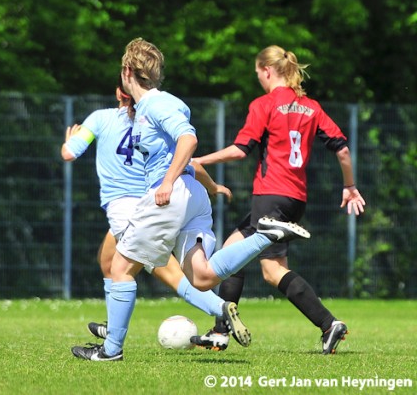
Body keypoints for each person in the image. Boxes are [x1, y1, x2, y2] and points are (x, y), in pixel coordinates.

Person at [71, 38, 310, 362]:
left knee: (120, 267)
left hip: (170, 195)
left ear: (127, 72)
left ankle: (110, 350)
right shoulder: (152, 107)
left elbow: (189, 139)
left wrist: (167, 182)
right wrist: (209, 187)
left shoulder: (156, 104)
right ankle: (265, 235)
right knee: (201, 276)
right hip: (191, 195)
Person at [191, 45, 366, 355]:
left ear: (267, 71)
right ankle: (220, 331)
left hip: (271, 196)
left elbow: (240, 149)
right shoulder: (311, 107)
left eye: (258, 73)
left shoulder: (265, 104)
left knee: (272, 270)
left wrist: (198, 159)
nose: (258, 78)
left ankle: (329, 324)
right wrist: (349, 186)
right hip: (295, 197)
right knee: (232, 254)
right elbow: (342, 150)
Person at [61, 78, 244, 344]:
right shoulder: (147, 119)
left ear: (117, 93)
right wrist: (212, 186)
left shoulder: (99, 119)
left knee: (166, 272)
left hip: (132, 208)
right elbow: (185, 158)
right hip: (153, 199)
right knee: (107, 260)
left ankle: (219, 311)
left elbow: (70, 153)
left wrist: (69, 142)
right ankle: (112, 325)